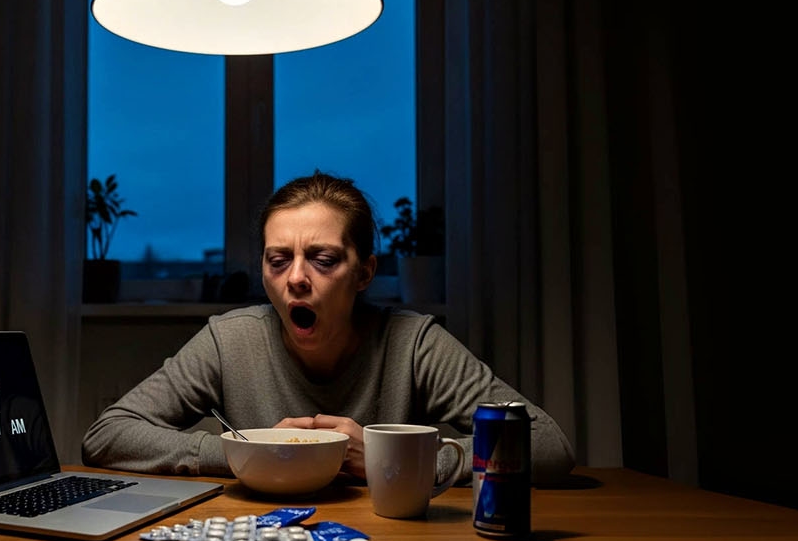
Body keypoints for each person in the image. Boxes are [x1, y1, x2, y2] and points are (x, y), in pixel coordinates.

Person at [81, 172, 574, 486]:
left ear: (363, 273)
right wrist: (243, 453)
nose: (296, 277)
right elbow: (107, 435)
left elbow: (548, 443)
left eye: (322, 259)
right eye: (278, 260)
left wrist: (392, 458)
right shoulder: (230, 340)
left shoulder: (413, 342)